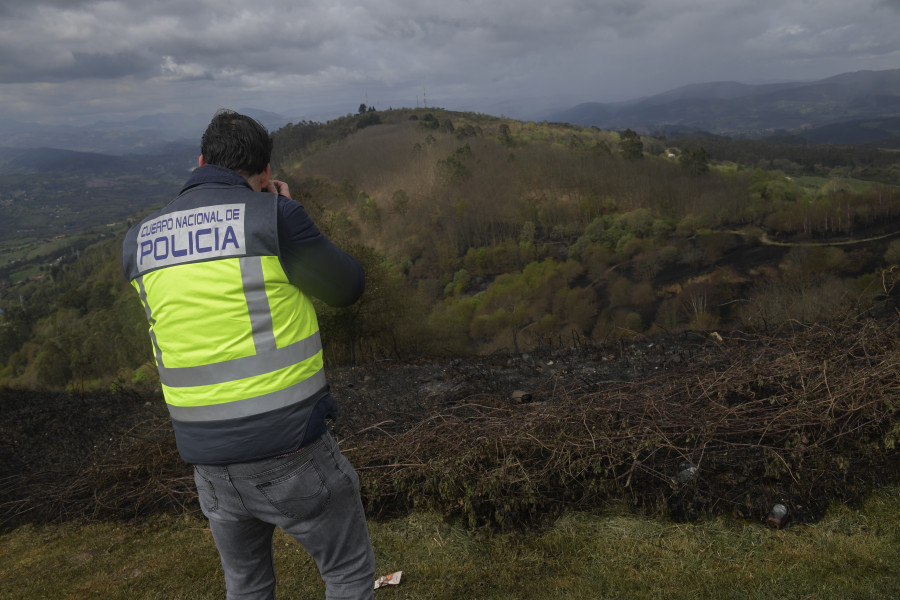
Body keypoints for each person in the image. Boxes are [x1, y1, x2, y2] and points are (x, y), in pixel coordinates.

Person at [121, 109, 376, 599]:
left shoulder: (139, 240)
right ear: (264, 173)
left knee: (246, 582)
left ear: (200, 161)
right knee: (346, 572)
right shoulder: (273, 216)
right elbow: (347, 287)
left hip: (207, 462)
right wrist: (286, 212)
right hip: (290, 448)